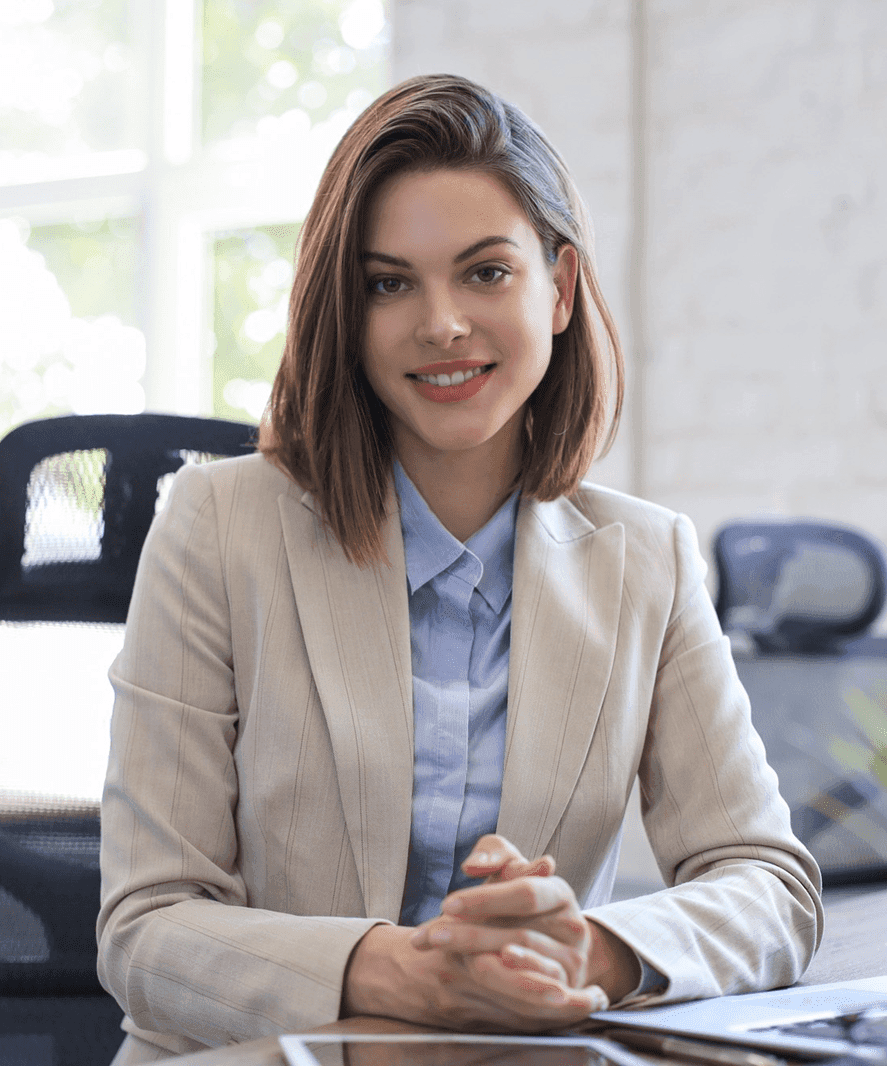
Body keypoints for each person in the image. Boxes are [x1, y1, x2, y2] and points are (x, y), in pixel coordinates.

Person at [97, 73, 823, 1063]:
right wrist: (401, 970)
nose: (440, 323)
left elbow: (768, 884)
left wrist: (587, 951)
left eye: (485, 272)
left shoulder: (645, 560)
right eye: (388, 283)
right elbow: (144, 926)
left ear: (557, 289)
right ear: (345, 310)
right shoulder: (216, 526)